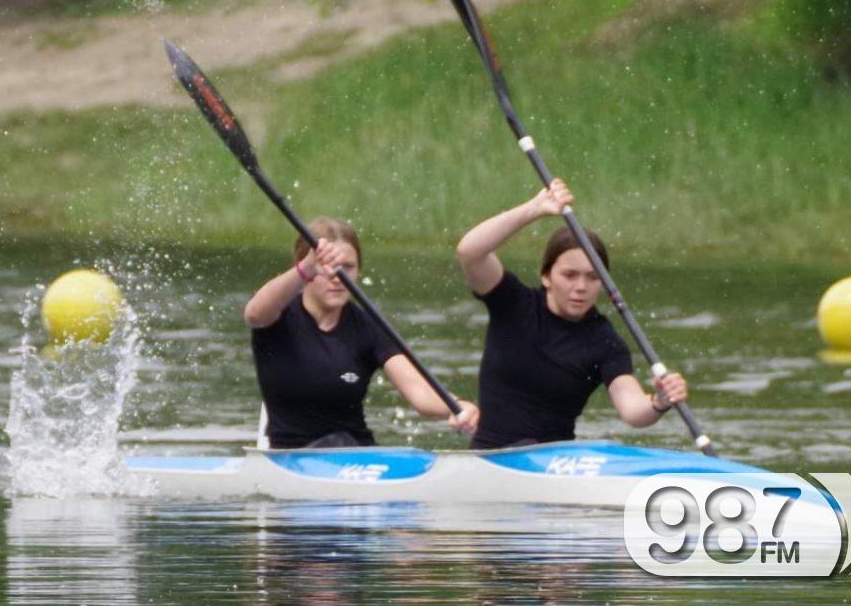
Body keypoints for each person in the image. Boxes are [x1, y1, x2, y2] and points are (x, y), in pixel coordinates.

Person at [456, 179, 687, 449]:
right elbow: (470, 251)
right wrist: (534, 209)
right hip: (488, 457)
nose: (581, 287)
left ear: (603, 283)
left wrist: (659, 402)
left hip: (554, 462)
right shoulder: (512, 302)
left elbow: (632, 410)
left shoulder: (605, 342)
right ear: (546, 276)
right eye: (569, 275)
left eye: (592, 277)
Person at [245, 217, 478, 449]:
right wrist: (307, 267)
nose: (337, 276)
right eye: (325, 266)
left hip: (354, 450)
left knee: (343, 443)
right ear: (304, 268)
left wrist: (459, 406)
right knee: (336, 443)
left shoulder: (369, 326)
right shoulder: (278, 314)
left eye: (347, 267)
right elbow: (254, 314)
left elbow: (418, 390)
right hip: (291, 456)